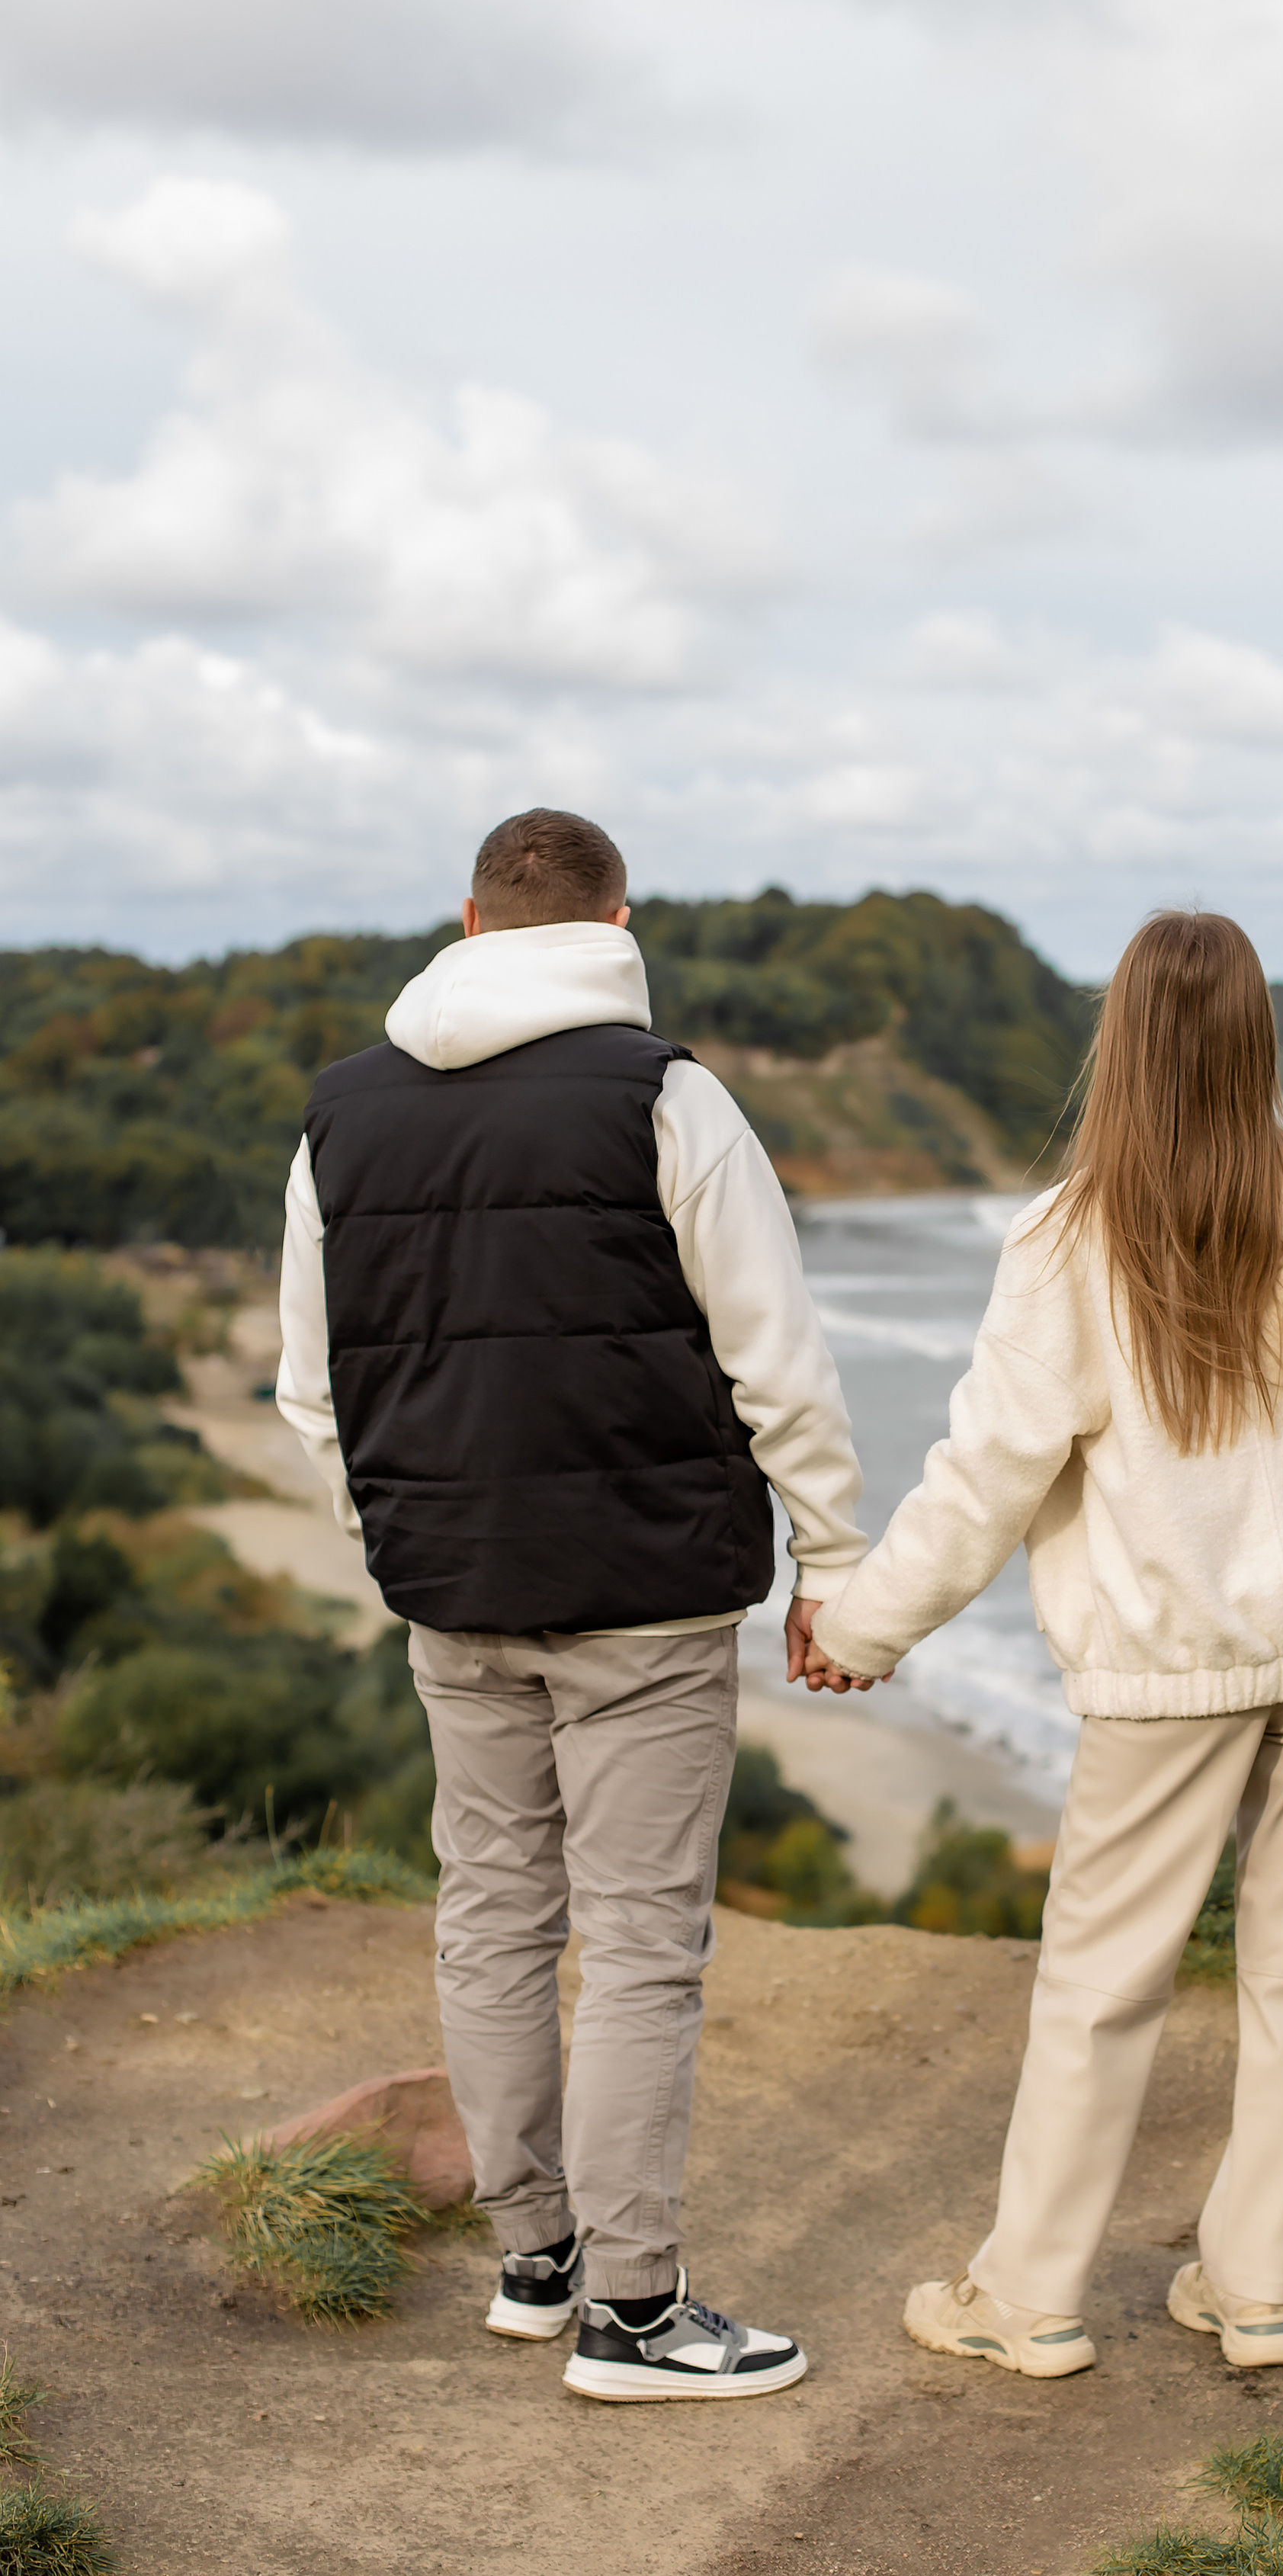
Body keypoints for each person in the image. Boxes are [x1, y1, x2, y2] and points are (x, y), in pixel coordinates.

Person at [277, 808, 868, 2403]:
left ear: (470, 919)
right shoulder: (667, 1097)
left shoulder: (339, 1115)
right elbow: (776, 1356)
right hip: (646, 1590)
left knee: (490, 1911)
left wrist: (399, 1531)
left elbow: (313, 1385)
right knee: (638, 1944)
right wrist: (833, 1558)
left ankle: (532, 2266)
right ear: (617, 917)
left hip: (448, 1586)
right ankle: (634, 2312)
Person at [810, 909, 1283, 2377]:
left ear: (1124, 1043)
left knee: (1102, 1986)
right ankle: (1256, 2291)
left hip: (1169, 1667)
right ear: (1260, 1037)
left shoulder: (1067, 1233)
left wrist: (862, 1628)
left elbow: (989, 1471)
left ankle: (1029, 2299)